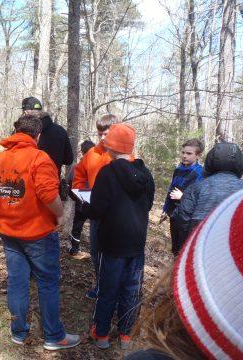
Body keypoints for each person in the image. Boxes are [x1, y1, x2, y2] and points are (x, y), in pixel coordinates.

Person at [0, 114, 81, 351]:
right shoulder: (39, 158)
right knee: (47, 282)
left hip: (8, 232)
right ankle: (54, 336)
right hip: (38, 234)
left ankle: (18, 333)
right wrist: (60, 215)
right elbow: (48, 195)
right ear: (38, 135)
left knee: (17, 281)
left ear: (16, 132)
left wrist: (6, 205)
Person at [125, 181, 243, 360]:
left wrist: (178, 246)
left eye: (188, 152)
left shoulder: (200, 183)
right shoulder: (242, 186)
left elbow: (182, 216)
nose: (184, 155)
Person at [83, 123, 155, 351]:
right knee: (131, 290)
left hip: (112, 244)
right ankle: (126, 335)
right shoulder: (145, 174)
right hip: (136, 243)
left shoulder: (107, 173)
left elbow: (97, 210)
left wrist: (83, 206)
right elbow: (148, 205)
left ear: (111, 147)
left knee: (107, 289)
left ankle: (102, 334)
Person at [72, 114, 118, 299]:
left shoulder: (124, 155)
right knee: (95, 251)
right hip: (96, 213)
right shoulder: (92, 154)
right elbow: (79, 175)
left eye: (107, 133)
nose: (103, 138)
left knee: (114, 254)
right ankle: (101, 286)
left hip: (117, 216)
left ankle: (114, 290)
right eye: (100, 134)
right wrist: (84, 193)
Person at [171, 142, 243, 243]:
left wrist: (181, 251)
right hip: (238, 251)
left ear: (210, 161)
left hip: (201, 249)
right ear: (240, 163)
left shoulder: (196, 188)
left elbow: (181, 220)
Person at [161, 139, 204, 256]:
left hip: (188, 218)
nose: (184, 156)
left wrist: (183, 196)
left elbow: (200, 197)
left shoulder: (200, 173)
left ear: (198, 155)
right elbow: (171, 189)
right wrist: (165, 208)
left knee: (185, 249)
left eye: (189, 153)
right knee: (175, 249)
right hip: (175, 214)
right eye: (183, 152)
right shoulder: (178, 170)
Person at [21, 97, 73, 176]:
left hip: (30, 183)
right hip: (53, 182)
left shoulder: (24, 132)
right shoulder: (60, 131)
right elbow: (68, 160)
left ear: (26, 112)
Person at [66, 140, 95, 256]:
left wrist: (76, 198)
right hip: (95, 200)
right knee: (95, 226)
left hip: (82, 200)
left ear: (82, 152)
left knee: (77, 226)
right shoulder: (102, 166)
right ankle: (95, 252)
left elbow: (70, 185)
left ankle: (74, 249)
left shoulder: (77, 167)